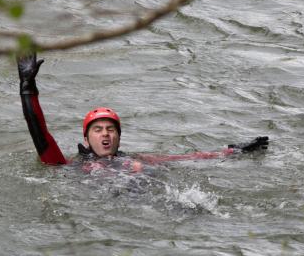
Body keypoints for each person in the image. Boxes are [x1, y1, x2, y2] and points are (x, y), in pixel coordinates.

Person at [17, 53, 268, 169]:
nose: (105, 134)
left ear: (118, 137)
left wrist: (233, 151)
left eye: (110, 129)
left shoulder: (136, 160)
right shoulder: (67, 166)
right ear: (86, 139)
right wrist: (27, 88)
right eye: (97, 130)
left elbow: (188, 158)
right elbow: (40, 133)